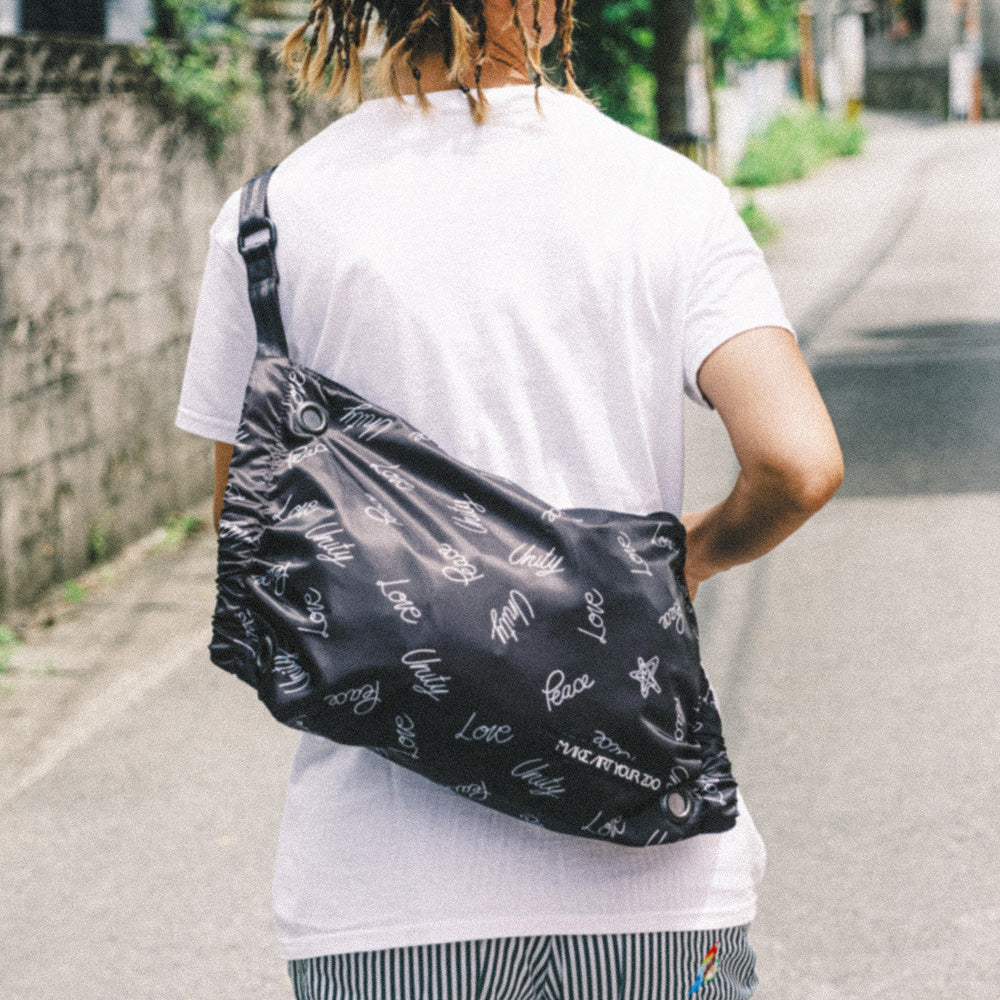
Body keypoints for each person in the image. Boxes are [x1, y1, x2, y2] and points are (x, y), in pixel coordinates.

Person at [176, 1, 844, 997]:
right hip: (653, 882)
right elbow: (797, 462)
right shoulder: (667, 195)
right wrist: (690, 555)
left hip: (382, 902)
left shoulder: (268, 220)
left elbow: (253, 539)